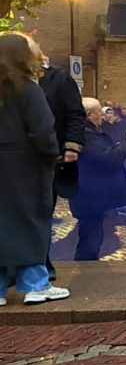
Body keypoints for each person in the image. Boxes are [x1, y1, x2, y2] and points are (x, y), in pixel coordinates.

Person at [0, 33, 66, 305]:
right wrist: (52, 156)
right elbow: (42, 132)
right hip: (26, 166)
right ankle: (36, 283)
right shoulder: (28, 89)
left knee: (2, 224)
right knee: (31, 222)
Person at [73, 98, 126, 260]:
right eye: (100, 111)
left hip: (90, 194)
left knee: (93, 236)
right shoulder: (87, 134)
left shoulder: (86, 131)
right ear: (89, 115)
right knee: (90, 240)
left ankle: (88, 270)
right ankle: (87, 273)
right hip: (89, 195)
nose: (103, 115)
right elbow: (109, 158)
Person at [37, 54, 86, 282]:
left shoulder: (59, 79)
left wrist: (72, 146)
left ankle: (40, 263)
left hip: (48, 159)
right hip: (13, 158)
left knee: (42, 211)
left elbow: (75, 113)